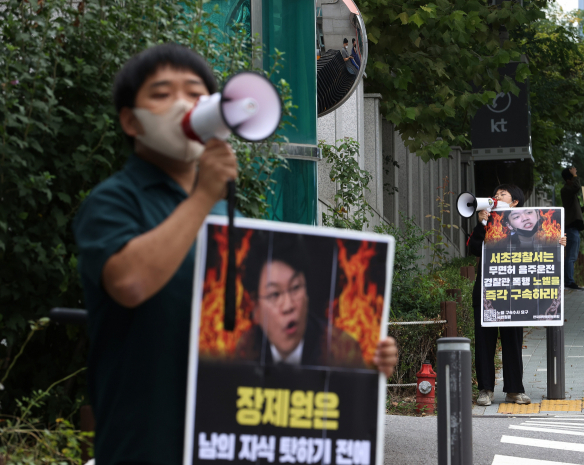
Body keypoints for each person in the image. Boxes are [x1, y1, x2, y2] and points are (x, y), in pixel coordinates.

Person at [73, 44, 239, 465]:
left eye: (196, 94)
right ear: (130, 120)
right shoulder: (112, 202)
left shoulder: (224, 212)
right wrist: (203, 196)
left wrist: (356, 357)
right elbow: (130, 282)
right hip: (143, 443)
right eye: (162, 94)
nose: (183, 105)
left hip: (221, 440)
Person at [235, 235, 367, 368]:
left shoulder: (343, 351)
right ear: (256, 308)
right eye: (274, 294)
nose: (288, 306)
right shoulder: (243, 352)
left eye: (295, 287)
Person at [471, 184, 531, 406]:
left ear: (515, 202)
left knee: (513, 341)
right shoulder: (486, 222)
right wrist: (481, 224)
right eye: (494, 194)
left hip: (514, 291)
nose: (496, 196)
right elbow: (475, 249)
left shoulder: (527, 222)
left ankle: (514, 390)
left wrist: (559, 243)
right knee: (484, 342)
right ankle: (485, 389)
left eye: (502, 194)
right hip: (487, 291)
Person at [561, 166, 584, 290]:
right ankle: (569, 281)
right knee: (571, 257)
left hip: (573, 228)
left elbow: (574, 211)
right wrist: (575, 175)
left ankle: (569, 280)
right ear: (568, 180)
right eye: (573, 178)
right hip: (571, 229)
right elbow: (577, 187)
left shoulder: (569, 192)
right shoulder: (566, 190)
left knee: (572, 257)